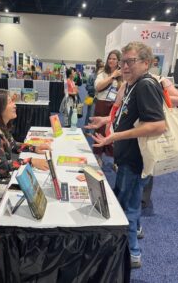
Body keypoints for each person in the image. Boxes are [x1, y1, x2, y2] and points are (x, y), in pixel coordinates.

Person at [86, 42, 166, 268]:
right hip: (128, 158)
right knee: (130, 200)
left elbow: (158, 125)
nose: (124, 66)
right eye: (122, 61)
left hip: (135, 160)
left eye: (130, 61)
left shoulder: (145, 86)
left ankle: (132, 254)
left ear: (146, 63)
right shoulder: (132, 84)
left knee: (126, 206)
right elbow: (127, 115)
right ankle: (136, 232)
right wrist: (106, 121)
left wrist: (116, 137)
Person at [0, 89, 50, 202]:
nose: (15, 105)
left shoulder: (0, 126)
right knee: (31, 190)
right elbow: (2, 167)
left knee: (33, 182)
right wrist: (31, 161)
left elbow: (13, 145)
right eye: (10, 102)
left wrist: (34, 148)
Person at [93, 50, 122, 159]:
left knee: (114, 131)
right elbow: (98, 87)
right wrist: (112, 76)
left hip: (115, 106)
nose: (111, 60)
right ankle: (98, 156)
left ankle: (114, 158)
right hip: (102, 104)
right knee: (100, 130)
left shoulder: (123, 73)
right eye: (109, 58)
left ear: (119, 61)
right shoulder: (102, 72)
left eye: (114, 59)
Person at [84, 59, 103, 133]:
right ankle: (87, 130)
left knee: (97, 114)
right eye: (101, 68)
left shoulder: (103, 76)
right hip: (90, 97)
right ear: (98, 67)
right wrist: (96, 88)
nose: (102, 69)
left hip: (99, 98)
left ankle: (94, 130)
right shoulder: (92, 76)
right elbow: (87, 87)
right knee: (90, 114)